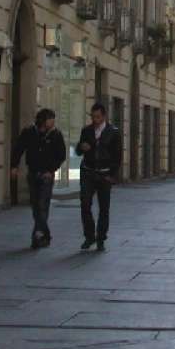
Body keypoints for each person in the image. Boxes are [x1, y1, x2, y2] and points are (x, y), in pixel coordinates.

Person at [10, 109, 66, 249]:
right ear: (43, 120)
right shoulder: (29, 132)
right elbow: (18, 148)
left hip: (47, 175)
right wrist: (14, 166)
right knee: (35, 205)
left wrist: (51, 169)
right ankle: (44, 234)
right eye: (50, 119)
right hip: (33, 173)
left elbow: (61, 155)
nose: (53, 122)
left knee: (42, 204)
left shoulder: (56, 135)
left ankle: (37, 236)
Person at [76, 101, 121, 250]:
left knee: (104, 208)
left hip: (104, 174)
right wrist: (82, 147)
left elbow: (117, 156)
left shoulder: (113, 132)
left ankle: (101, 238)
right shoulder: (86, 130)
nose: (95, 120)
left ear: (104, 116)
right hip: (88, 172)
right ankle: (89, 236)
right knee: (85, 204)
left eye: (98, 117)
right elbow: (78, 150)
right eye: (93, 117)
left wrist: (112, 175)